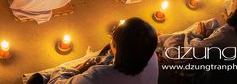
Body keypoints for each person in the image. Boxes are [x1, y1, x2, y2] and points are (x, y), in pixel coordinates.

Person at [25, 17, 159, 84]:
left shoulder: (97, 76)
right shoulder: (151, 56)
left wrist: (75, 69)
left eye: (113, 41)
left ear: (118, 49)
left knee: (47, 75)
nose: (110, 42)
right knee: (96, 57)